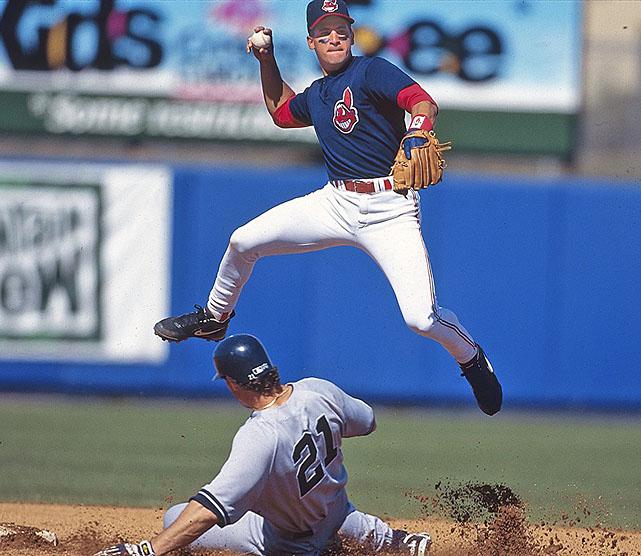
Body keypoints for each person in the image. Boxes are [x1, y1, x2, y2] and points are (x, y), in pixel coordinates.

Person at [153, 0, 502, 416]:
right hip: (335, 201)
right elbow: (282, 112)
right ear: (311, 41)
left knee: (422, 319)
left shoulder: (371, 70)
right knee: (242, 240)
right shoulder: (318, 95)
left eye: (341, 31)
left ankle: (471, 357)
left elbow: (421, 100)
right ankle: (214, 317)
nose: (334, 38)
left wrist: (417, 131)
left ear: (352, 37)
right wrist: (266, 59)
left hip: (389, 208)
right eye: (324, 33)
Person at [94, 334, 432, 556]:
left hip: (290, 544)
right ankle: (392, 540)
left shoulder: (259, 435)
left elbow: (210, 508)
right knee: (332, 512)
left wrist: (147, 551)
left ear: (236, 383)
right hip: (336, 515)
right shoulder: (318, 390)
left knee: (175, 518)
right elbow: (368, 421)